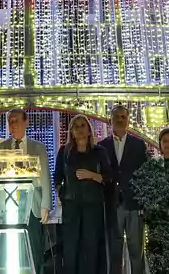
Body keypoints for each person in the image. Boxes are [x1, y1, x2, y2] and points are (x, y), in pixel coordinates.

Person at [0, 109, 52, 272]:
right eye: (10, 121)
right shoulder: (0, 148)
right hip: (7, 208)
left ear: (26, 122)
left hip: (32, 207)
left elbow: (46, 177)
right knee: (9, 253)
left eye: (16, 121)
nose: (13, 125)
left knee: (33, 251)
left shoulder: (38, 148)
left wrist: (46, 204)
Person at [53, 114, 111, 274]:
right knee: (71, 248)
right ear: (71, 130)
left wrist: (92, 175)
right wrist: (62, 194)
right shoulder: (64, 152)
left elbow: (108, 177)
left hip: (93, 207)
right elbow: (57, 177)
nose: (79, 129)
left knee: (91, 247)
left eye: (82, 125)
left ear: (89, 130)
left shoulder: (99, 151)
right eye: (76, 126)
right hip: (71, 207)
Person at [98, 105, 148, 274]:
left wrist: (143, 202)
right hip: (112, 205)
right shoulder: (102, 146)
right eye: (116, 117)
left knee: (136, 249)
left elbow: (145, 173)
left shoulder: (139, 145)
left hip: (133, 204)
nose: (120, 120)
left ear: (128, 120)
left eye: (123, 117)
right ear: (110, 121)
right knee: (114, 251)